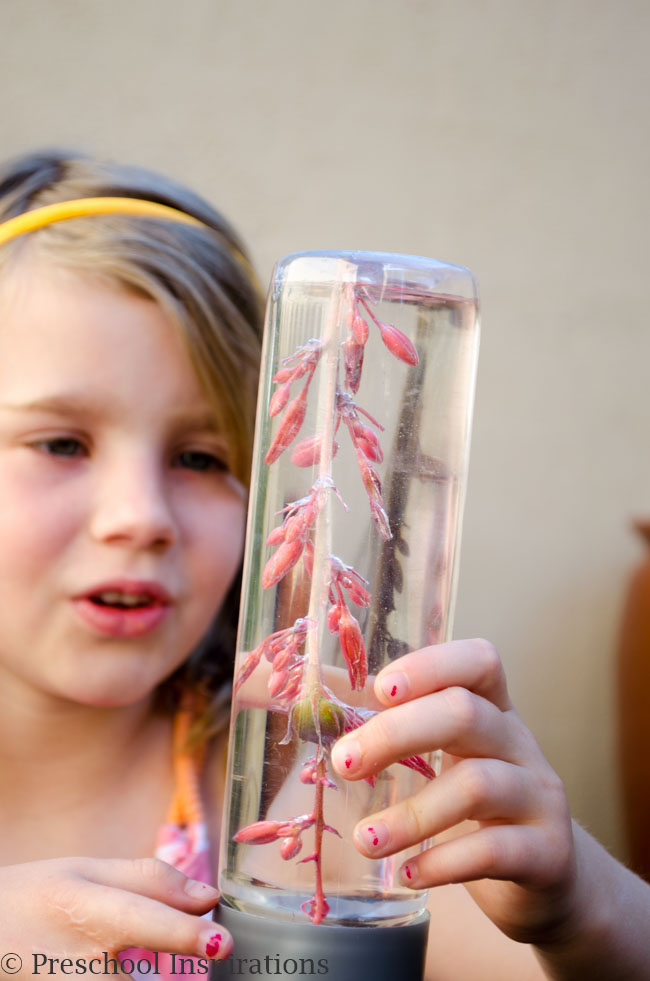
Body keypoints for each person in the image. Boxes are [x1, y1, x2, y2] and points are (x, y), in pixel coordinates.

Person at [0, 149, 647, 981]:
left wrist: (585, 911)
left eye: (201, 456)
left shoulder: (317, 796)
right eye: (61, 443)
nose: (141, 517)